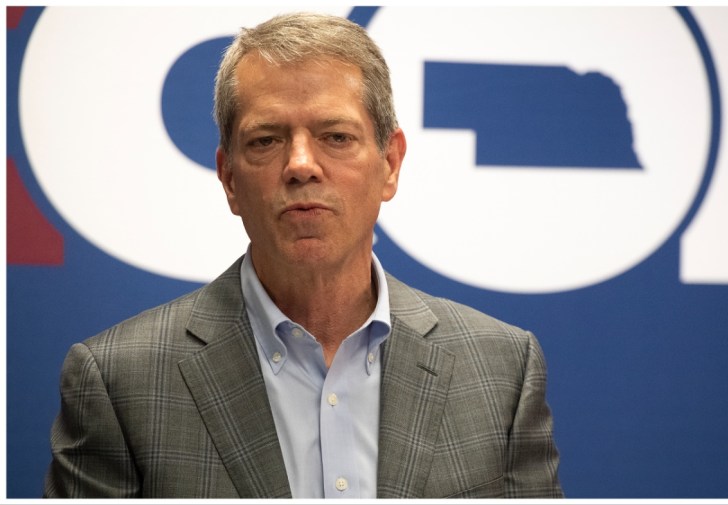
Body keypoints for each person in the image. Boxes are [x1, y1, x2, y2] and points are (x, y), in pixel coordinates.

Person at [44, 11, 562, 499]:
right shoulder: (118, 381)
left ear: (390, 163)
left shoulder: (501, 370)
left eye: (335, 136)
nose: (300, 164)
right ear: (228, 178)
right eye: (266, 140)